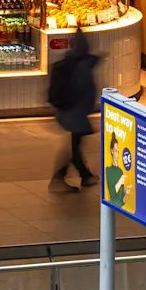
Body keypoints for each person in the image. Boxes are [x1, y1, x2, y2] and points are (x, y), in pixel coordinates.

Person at [48, 26, 100, 191]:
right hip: (75, 113)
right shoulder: (82, 67)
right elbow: (84, 90)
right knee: (74, 146)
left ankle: (82, 175)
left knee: (74, 145)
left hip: (68, 111)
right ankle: (70, 177)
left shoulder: (69, 62)